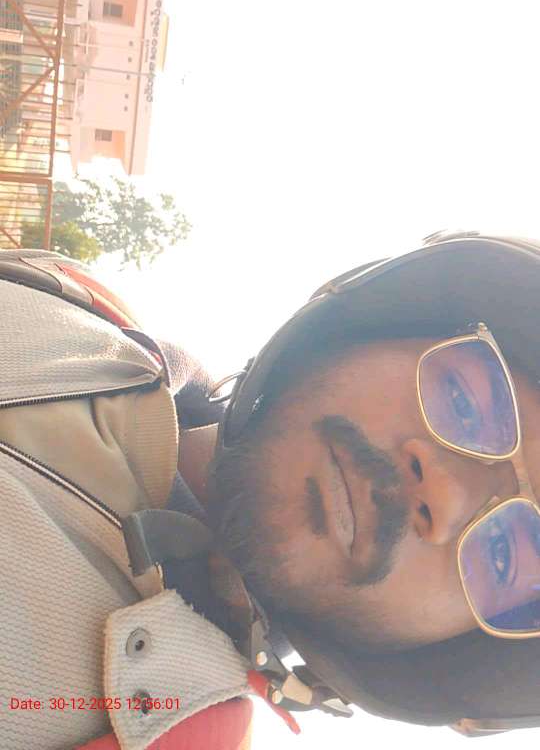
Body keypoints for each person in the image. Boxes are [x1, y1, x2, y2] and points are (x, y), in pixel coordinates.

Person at [3, 232, 540, 749]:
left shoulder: (144, 733)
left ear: (453, 653)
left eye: (503, 557)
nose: (443, 493)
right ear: (383, 323)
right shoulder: (69, 296)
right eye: (464, 401)